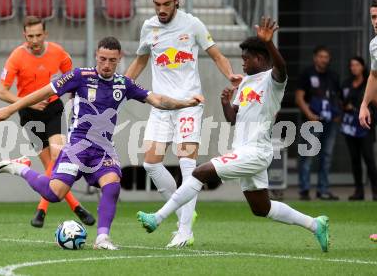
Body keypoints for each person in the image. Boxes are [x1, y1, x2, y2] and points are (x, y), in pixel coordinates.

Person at [136, 17, 330, 252]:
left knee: (200, 172)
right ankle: (315, 224)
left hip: (256, 151)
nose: (243, 64)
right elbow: (233, 119)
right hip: (245, 150)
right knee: (261, 208)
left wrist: (268, 43)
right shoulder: (246, 82)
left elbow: (281, 68)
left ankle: (157, 218)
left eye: (246, 59)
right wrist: (226, 103)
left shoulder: (272, 81)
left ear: (260, 58)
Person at [0, 36, 204, 250]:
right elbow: (45, 92)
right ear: (96, 56)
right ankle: (20, 168)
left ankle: (102, 238)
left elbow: (157, 100)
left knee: (112, 184)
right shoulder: (79, 76)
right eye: (103, 59)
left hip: (102, 149)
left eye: (112, 60)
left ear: (119, 59)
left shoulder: (124, 84)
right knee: (53, 194)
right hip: (77, 146)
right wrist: (11, 109)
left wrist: (184, 103)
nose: (106, 64)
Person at [125, 0, 240, 247]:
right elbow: (141, 60)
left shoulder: (193, 24)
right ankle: (183, 214)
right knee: (150, 164)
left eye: (167, 4)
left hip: (190, 105)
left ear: (177, 1)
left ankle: (185, 231)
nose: (162, 9)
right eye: (157, 5)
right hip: (161, 105)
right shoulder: (149, 27)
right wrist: (121, 85)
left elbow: (217, 54)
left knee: (188, 163)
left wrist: (230, 73)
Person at [0, 16, 95, 228]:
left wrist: (74, 98)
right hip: (29, 114)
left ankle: (42, 210)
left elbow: (71, 77)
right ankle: (76, 207)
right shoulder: (16, 57)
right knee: (51, 166)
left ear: (45, 34)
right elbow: (2, 92)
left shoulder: (58, 52)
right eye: (30, 36)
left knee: (58, 157)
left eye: (38, 35)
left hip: (52, 110)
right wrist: (28, 103)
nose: (35, 40)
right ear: (24, 35)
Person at [295, 45, 341, 201]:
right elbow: (299, 97)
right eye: (321, 56)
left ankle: (323, 190)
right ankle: (304, 189)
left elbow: (337, 97)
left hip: (329, 122)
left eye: (326, 57)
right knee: (307, 155)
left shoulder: (333, 76)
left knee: (326, 156)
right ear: (315, 57)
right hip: (311, 121)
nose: (324, 59)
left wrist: (337, 115)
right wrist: (310, 115)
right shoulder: (307, 74)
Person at [340, 56, 377, 201]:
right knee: (354, 160)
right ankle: (358, 191)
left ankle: (375, 190)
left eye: (357, 65)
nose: (354, 68)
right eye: (352, 65)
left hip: (365, 126)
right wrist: (345, 106)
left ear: (362, 66)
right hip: (350, 126)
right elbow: (340, 100)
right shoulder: (346, 83)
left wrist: (366, 101)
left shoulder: (370, 82)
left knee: (369, 159)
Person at [358, 0, 377, 241]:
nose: (376, 22)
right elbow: (374, 75)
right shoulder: (374, 45)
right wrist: (364, 104)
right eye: (373, 17)